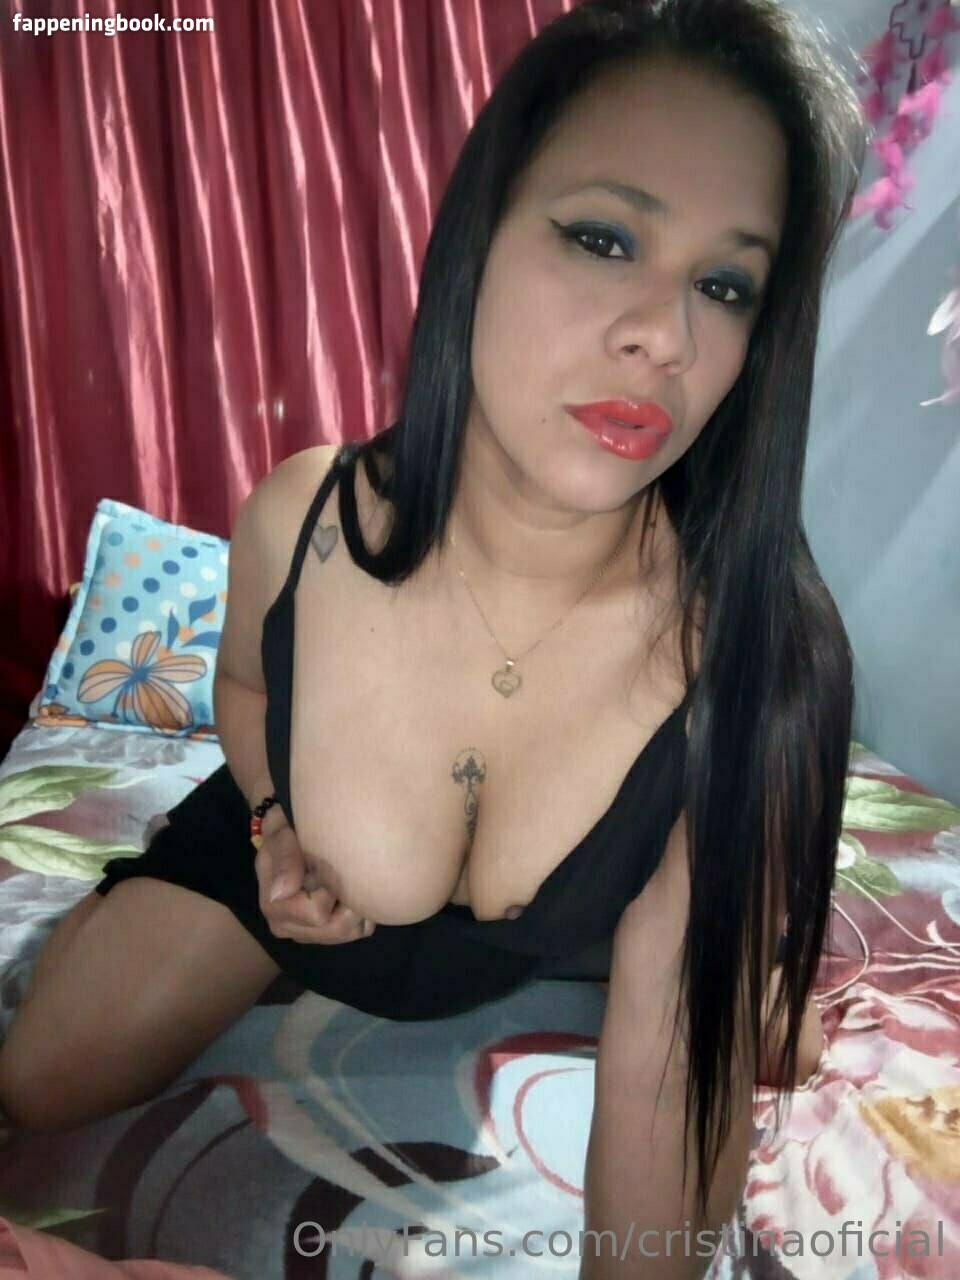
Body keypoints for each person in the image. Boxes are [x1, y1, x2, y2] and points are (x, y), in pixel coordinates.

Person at [0, 0, 867, 1273]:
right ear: (478, 237)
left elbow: (672, 1100)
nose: (666, 338)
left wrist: (699, 986)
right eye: (604, 237)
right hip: (289, 862)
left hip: (568, 909)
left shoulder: (751, 658)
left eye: (724, 283)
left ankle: (639, 932)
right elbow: (245, 687)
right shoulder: (305, 517)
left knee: (749, 1011)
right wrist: (271, 823)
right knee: (40, 1077)